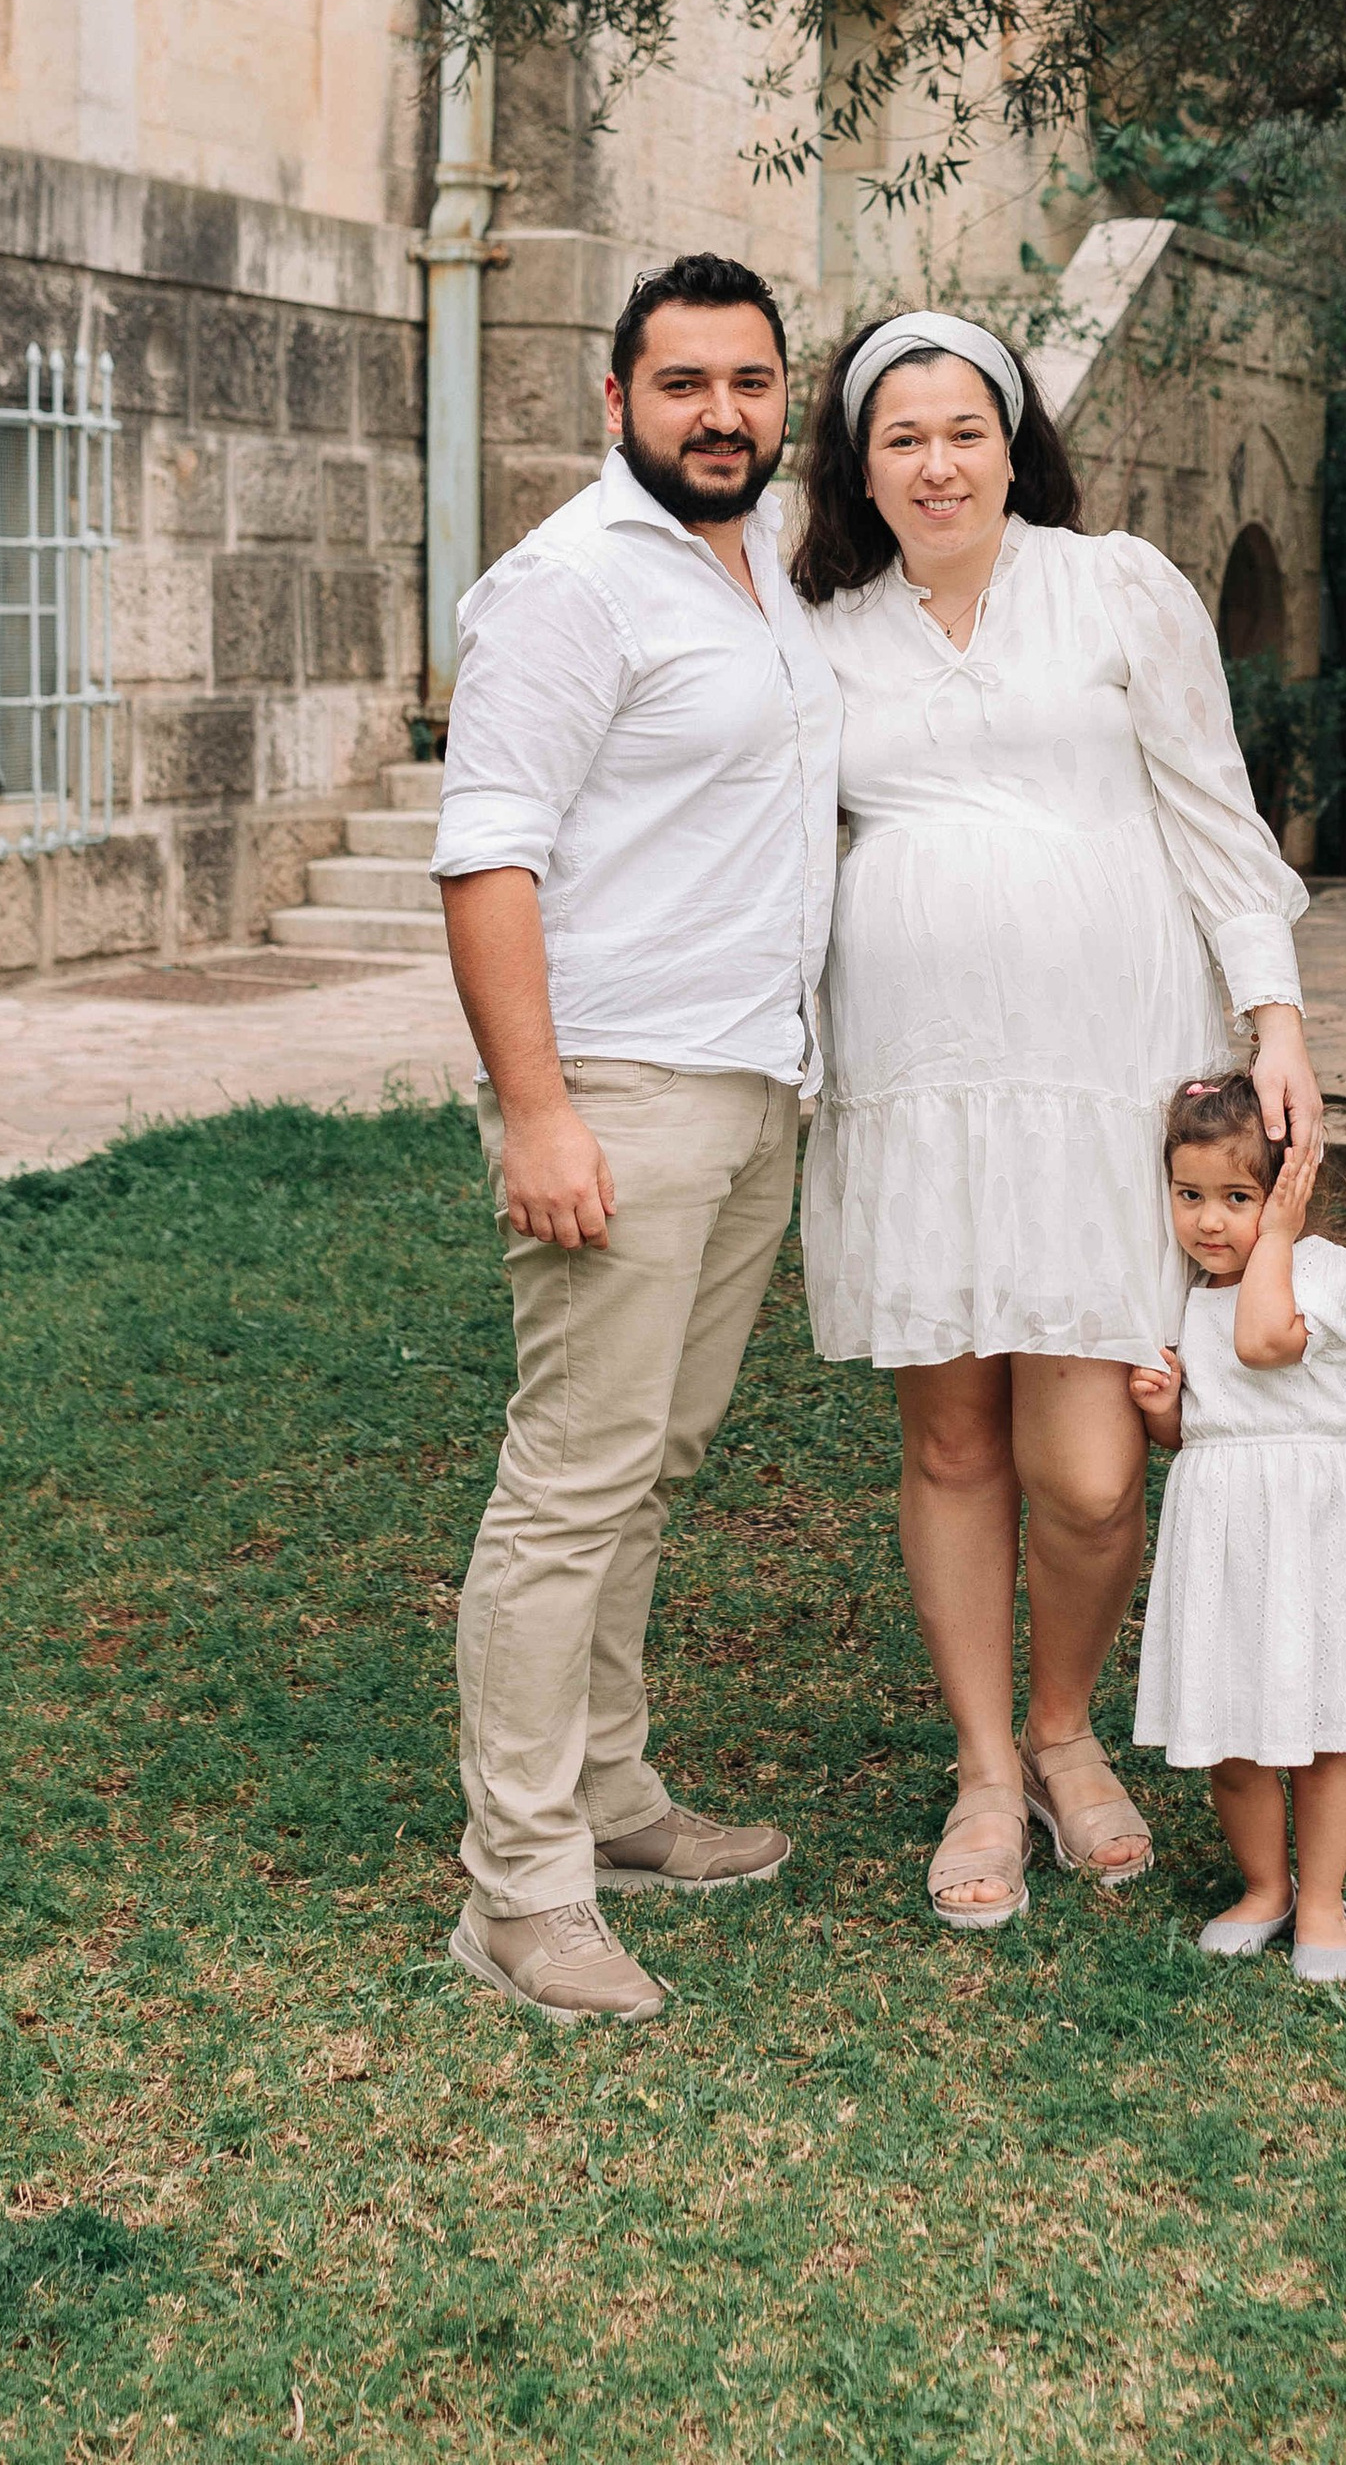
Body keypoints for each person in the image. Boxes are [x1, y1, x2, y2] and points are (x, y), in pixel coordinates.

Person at [792, 307, 1324, 1929]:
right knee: (954, 1440)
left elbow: (1212, 811)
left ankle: (1065, 1725)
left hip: (1111, 1077)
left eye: (965, 430)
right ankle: (982, 1767)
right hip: (923, 1087)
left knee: (1092, 1469)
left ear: (1013, 442)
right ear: (861, 466)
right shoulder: (820, 637)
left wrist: (1277, 1011)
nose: (937, 462)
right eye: (902, 437)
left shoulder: (1118, 589)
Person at [431, 253, 840, 2024]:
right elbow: (487, 856)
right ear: (618, 402)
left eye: (750, 383)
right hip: (619, 1090)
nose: (722, 415)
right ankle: (520, 1891)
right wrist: (539, 1111)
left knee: (652, 1471)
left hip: (757, 1086)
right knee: (569, 1486)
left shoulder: (768, 567)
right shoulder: (567, 587)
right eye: (684, 385)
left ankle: (611, 1791)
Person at [1129, 1071, 1346, 1983]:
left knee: (1318, 1724)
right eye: (1190, 1197)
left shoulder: (1324, 1272)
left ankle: (1325, 1899)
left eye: (1239, 1198)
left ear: (1289, 1192)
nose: (1210, 1222)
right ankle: (1265, 1887)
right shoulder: (1185, 1292)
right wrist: (1164, 1411)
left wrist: (1284, 1236)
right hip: (1221, 1523)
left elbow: (1263, 1344)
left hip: (1308, 1521)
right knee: (1232, 1726)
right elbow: (1197, 1430)